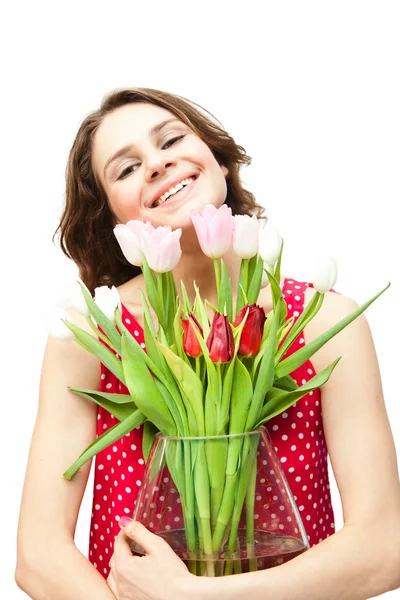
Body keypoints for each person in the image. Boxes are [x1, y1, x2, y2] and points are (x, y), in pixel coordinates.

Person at [15, 87, 400, 600]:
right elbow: (38, 557)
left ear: (217, 158)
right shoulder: (93, 333)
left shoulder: (325, 321)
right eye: (126, 169)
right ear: (114, 219)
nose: (157, 163)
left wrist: (195, 598)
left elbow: (384, 547)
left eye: (171, 139)